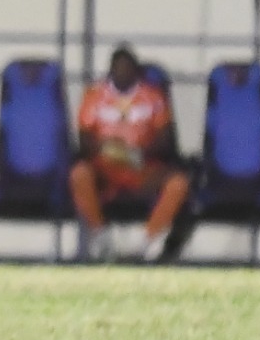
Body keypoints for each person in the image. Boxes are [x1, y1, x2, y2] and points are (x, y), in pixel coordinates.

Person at [68, 45, 190, 263]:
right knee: (79, 174)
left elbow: (165, 138)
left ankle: (148, 241)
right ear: (110, 70)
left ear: (136, 70)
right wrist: (109, 149)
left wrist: (140, 153)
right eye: (118, 68)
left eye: (127, 68)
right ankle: (100, 237)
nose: (122, 72)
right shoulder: (94, 95)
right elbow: (84, 138)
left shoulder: (152, 96)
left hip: (141, 168)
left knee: (178, 183)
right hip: (106, 170)